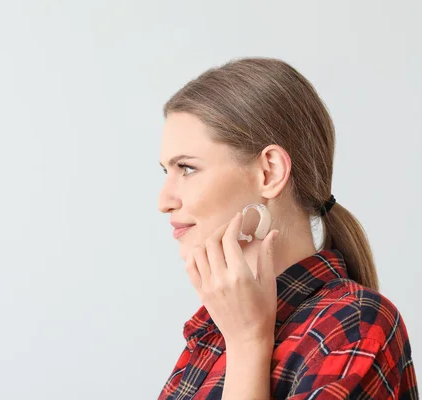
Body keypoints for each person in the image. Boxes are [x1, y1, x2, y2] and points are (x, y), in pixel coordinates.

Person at [157, 58, 418, 399]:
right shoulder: (213, 331)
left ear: (269, 172)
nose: (164, 201)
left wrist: (248, 344)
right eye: (166, 171)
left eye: (187, 169)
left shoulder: (354, 325)